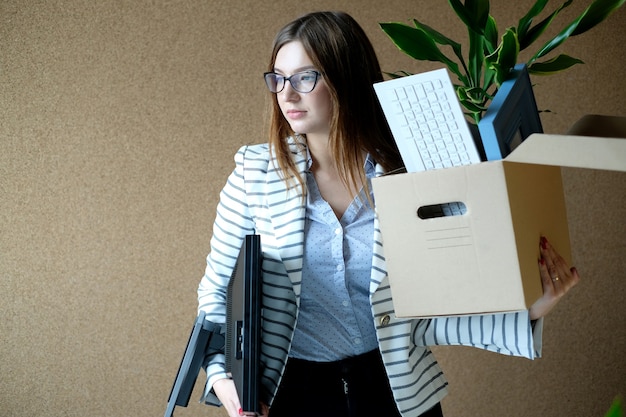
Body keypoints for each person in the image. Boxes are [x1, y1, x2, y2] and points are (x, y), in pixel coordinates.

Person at [197, 11, 580, 417]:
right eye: (278, 78)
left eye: (305, 78)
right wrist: (227, 385)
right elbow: (216, 296)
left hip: (395, 395)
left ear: (348, 78)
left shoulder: (412, 175)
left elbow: (431, 317)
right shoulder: (254, 174)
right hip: (289, 396)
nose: (287, 95)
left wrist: (531, 307)